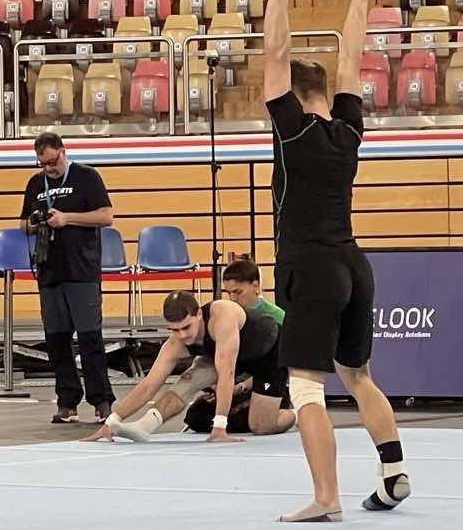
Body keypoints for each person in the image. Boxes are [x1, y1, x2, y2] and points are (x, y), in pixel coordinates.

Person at [262, 0, 410, 523]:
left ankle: (326, 498)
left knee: (305, 389)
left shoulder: (293, 132)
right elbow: (353, 54)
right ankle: (393, 473)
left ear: (293, 97)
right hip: (354, 263)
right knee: (358, 375)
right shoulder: (348, 129)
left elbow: (274, 53)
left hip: (313, 267)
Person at [85, 291, 294, 443]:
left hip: (269, 354)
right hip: (225, 355)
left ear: (199, 315)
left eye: (186, 327)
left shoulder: (223, 315)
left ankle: (296, 413)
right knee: (188, 379)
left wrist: (219, 427)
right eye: (175, 330)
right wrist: (111, 422)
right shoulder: (177, 341)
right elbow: (149, 384)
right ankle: (145, 426)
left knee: (260, 426)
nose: (183, 335)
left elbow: (227, 372)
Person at [21, 132, 115, 425]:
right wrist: (35, 224)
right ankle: (67, 401)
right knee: (57, 341)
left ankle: (102, 401)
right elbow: (23, 224)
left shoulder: (87, 177)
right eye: (43, 164)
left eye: (52, 161)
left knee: (89, 338)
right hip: (50, 271)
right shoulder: (36, 184)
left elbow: (106, 216)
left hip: (81, 270)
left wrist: (67, 218)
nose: (49, 168)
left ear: (63, 151)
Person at [220, 256, 285, 326]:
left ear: (255, 286)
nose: (232, 298)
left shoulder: (277, 317)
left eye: (238, 292)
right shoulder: (227, 316)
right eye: (229, 293)